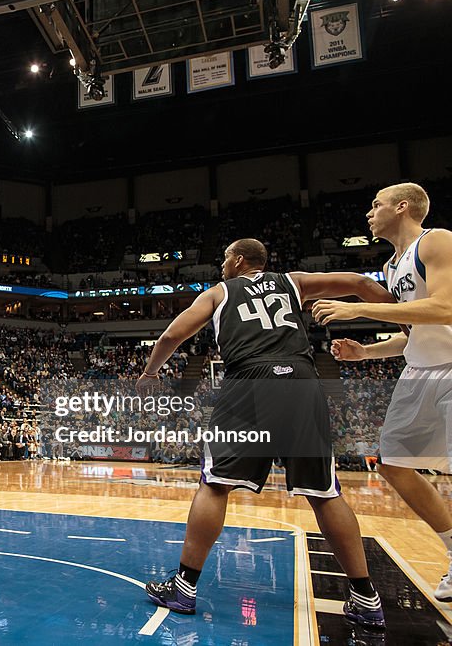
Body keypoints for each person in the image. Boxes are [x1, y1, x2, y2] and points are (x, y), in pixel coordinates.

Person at [138, 239, 393, 630]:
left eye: (224, 258)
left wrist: (151, 372)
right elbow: (359, 282)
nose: (221, 265)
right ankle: (364, 596)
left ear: (239, 260)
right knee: (324, 492)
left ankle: (184, 588)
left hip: (250, 381)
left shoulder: (219, 292)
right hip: (302, 380)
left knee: (215, 484)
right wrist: (405, 317)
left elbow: (173, 335)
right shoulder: (294, 282)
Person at [314, 183, 452, 601]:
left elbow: (446, 308)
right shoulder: (393, 267)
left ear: (402, 207)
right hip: (419, 369)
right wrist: (367, 352)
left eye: (376, 205)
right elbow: (415, 331)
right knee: (393, 464)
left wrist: (360, 307)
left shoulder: (437, 241)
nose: (369, 213)